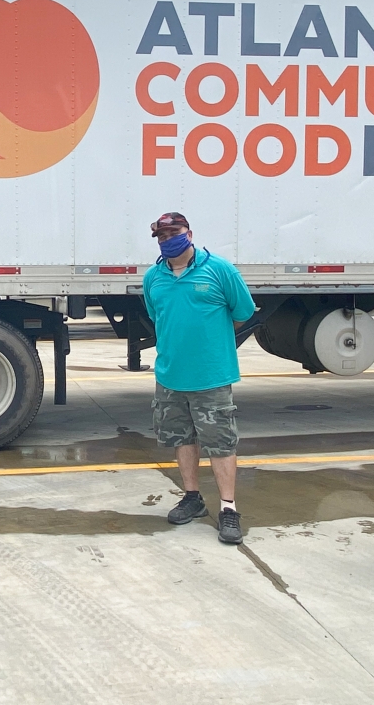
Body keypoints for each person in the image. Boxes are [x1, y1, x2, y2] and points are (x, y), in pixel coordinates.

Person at [142, 212, 255, 544]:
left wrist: (210, 342)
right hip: (170, 376)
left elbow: (243, 313)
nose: (167, 240)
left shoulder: (220, 270)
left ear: (189, 233)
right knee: (182, 438)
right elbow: (157, 315)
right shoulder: (154, 277)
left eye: (173, 233)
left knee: (220, 443)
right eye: (161, 236)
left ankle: (228, 509)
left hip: (211, 377)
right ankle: (192, 498)